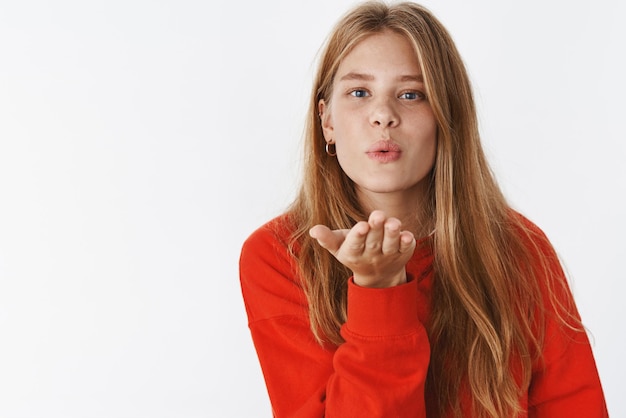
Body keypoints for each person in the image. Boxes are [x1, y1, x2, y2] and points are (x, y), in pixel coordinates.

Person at [239, 1, 608, 417]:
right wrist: (379, 292)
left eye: (411, 94)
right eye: (359, 93)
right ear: (327, 121)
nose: (383, 115)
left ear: (446, 115)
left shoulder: (520, 249)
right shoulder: (278, 255)